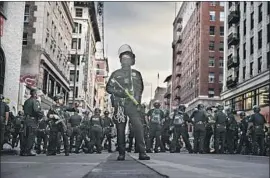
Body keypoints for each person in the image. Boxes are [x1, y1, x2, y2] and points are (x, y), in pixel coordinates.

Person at [106, 44, 150, 161]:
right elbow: (108, 88)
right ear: (121, 60)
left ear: (132, 60)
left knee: (139, 127)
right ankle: (121, 153)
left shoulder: (137, 74)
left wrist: (136, 100)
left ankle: (142, 152)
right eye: (124, 58)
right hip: (120, 104)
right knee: (120, 129)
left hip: (133, 105)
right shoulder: (116, 74)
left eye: (128, 58)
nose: (126, 61)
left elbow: (140, 89)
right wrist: (119, 92)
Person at [21, 88, 44, 156]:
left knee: (25, 135)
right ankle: (28, 151)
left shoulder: (26, 101)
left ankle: (23, 150)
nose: (38, 95)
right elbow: (36, 110)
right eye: (38, 94)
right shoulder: (35, 101)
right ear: (35, 94)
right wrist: (42, 115)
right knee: (31, 136)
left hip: (26, 119)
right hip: (32, 120)